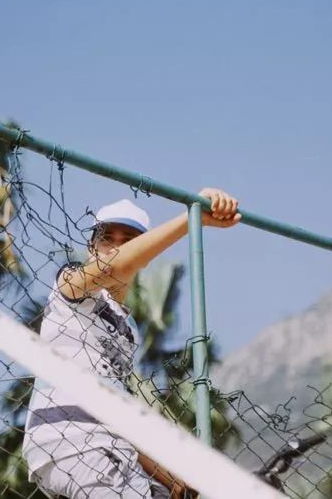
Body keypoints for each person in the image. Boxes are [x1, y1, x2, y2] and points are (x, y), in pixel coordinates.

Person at [22, 188, 241, 498]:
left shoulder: (128, 328)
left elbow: (115, 413)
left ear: (142, 253)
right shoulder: (70, 287)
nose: (115, 248)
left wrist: (173, 479)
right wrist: (193, 218)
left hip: (111, 447)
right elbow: (116, 267)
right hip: (72, 440)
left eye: (128, 241)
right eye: (106, 239)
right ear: (91, 248)